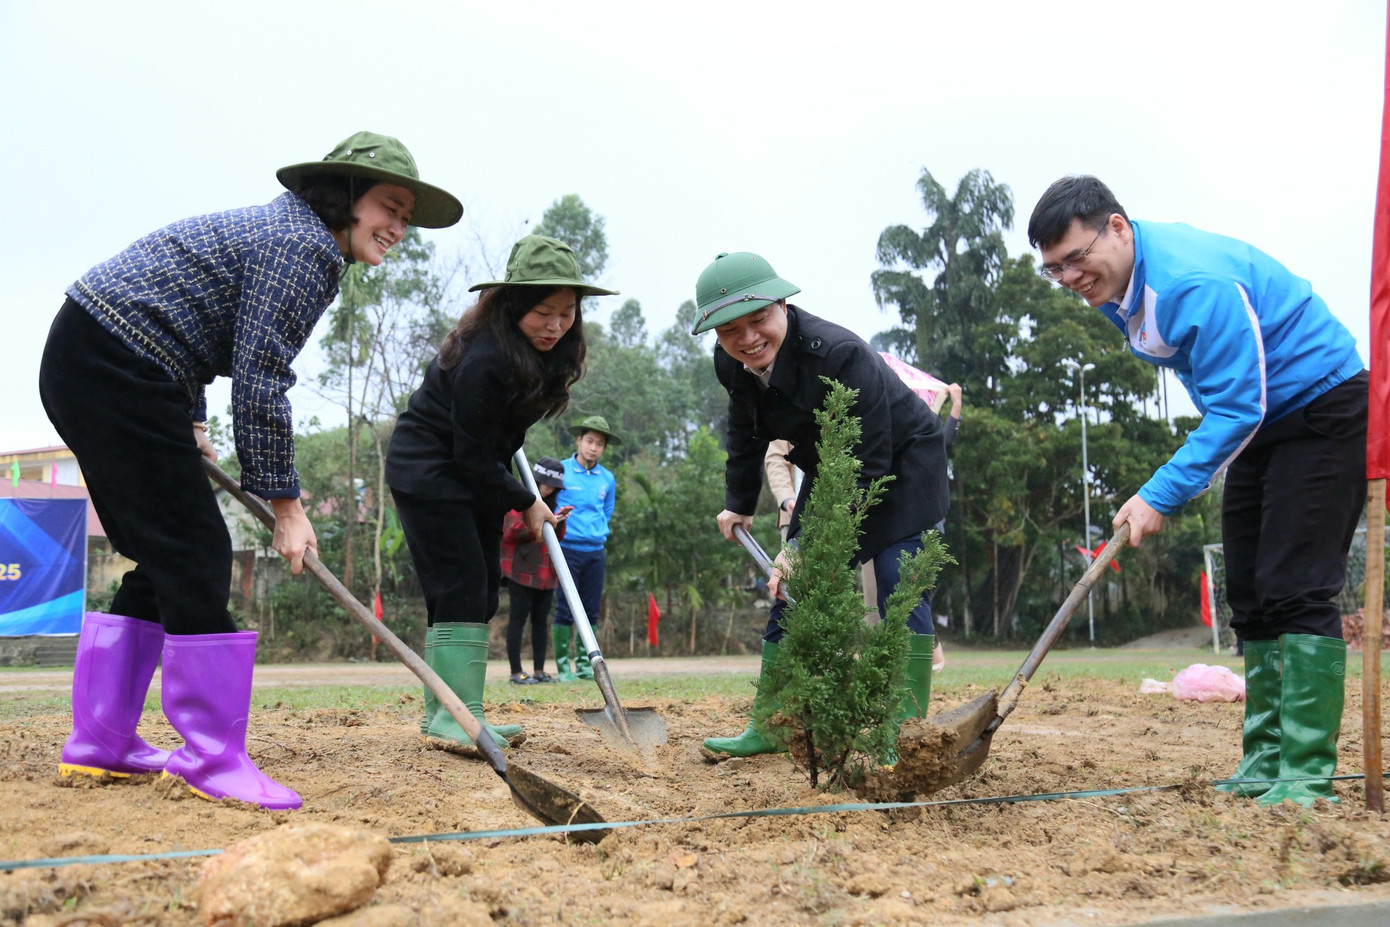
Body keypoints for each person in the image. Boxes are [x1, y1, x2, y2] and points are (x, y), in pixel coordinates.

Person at [39, 131, 463, 810]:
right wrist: (287, 508)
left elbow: (191, 323)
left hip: (102, 355)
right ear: (347, 196)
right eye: (391, 207)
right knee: (197, 551)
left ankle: (103, 739)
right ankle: (211, 756)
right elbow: (260, 377)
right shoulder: (302, 246)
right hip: (113, 364)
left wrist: (191, 421)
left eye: (407, 217)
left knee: (167, 555)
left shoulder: (291, 234)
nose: (399, 228)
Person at [1027, 175, 1367, 807]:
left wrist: (1161, 492)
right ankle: (1264, 761)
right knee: (1251, 594)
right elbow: (1220, 388)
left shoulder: (1190, 281)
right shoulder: (1119, 293)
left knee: (1294, 586)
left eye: (1076, 258)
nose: (1070, 277)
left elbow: (1238, 405)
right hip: (1260, 421)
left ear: (1118, 227)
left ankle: (1305, 774)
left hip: (1318, 406)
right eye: (1055, 269)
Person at [694, 251, 949, 757]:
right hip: (835, 466)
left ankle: (902, 736)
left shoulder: (839, 355)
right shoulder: (732, 363)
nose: (748, 338)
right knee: (790, 587)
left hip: (903, 464)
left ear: (783, 306)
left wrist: (803, 545)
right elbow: (744, 430)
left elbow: (867, 462)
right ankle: (771, 724)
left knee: (899, 580)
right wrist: (739, 502)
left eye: (758, 319)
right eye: (729, 330)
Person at [385, 235, 616, 749]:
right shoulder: (485, 358)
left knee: (483, 586)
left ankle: (448, 714)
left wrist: (520, 494)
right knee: (462, 584)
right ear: (513, 305)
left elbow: (492, 443)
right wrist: (528, 501)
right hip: (430, 469)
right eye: (542, 313)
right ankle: (458, 718)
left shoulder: (540, 353)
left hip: (472, 472)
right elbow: (470, 455)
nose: (555, 325)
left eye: (566, 313)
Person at [551, 414, 621, 682]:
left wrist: (595, 530)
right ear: (579, 441)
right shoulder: (562, 470)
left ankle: (583, 665)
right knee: (565, 608)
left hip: (595, 550)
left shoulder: (607, 478)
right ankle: (563, 668)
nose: (593, 448)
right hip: (566, 549)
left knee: (591, 609)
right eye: (590, 441)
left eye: (599, 444)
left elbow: (607, 510)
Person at [502, 457, 573, 685]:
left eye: (553, 486)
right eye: (546, 483)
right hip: (520, 571)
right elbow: (512, 531)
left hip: (546, 573)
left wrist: (558, 521)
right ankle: (516, 672)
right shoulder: (519, 498)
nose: (549, 489)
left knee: (541, 622)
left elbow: (557, 538)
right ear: (536, 479)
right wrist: (542, 524)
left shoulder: (550, 505)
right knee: (518, 620)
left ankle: (540, 671)